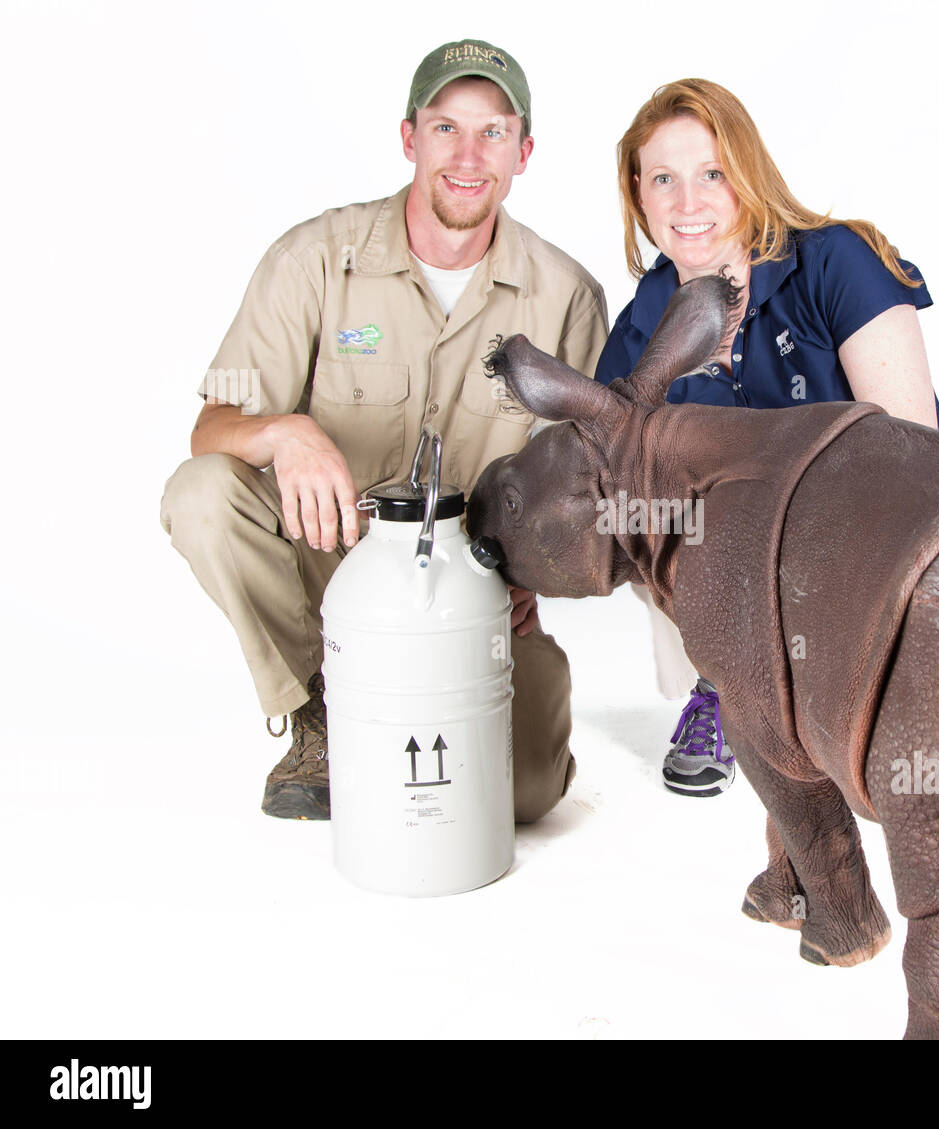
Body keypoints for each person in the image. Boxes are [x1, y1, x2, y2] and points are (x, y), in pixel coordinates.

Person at [161, 39, 608, 822]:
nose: (468, 156)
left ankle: (449, 713)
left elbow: (599, 479)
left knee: (523, 797)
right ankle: (319, 716)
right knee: (199, 495)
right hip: (331, 582)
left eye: (493, 133)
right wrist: (286, 432)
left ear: (523, 152)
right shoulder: (312, 260)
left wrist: (536, 570)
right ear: (409, 137)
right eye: (445, 128)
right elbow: (212, 428)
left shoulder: (567, 295)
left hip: (476, 596)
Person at [595, 78, 939, 798]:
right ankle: (728, 689)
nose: (688, 203)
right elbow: (620, 511)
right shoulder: (636, 335)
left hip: (885, 532)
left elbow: (911, 456)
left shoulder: (835, 261)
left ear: (747, 175)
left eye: (713, 174)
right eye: (663, 179)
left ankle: (852, 690)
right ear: (638, 194)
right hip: (736, 579)